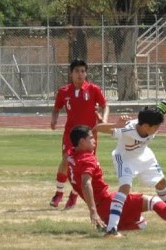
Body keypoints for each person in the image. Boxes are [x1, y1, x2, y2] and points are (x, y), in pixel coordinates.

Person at [95, 74, 166, 236]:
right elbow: (98, 128)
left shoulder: (155, 114)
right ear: (145, 126)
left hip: (144, 155)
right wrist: (115, 124)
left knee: (161, 182)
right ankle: (112, 228)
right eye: (156, 127)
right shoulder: (127, 129)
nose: (158, 129)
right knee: (125, 188)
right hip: (124, 158)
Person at [68, 125, 166, 237]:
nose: (94, 140)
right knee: (154, 201)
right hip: (106, 203)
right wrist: (93, 212)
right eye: (91, 138)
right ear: (81, 142)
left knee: (142, 223)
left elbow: (64, 168)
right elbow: (86, 183)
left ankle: (112, 225)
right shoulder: (88, 159)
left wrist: (61, 189)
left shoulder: (70, 156)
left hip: (102, 208)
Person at [50, 59, 109, 210]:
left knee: (84, 165)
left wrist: (104, 119)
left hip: (89, 135)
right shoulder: (64, 91)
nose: (80, 74)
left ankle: (74, 195)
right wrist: (54, 119)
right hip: (71, 134)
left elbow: (105, 105)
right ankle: (59, 192)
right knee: (66, 160)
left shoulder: (93, 89)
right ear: (71, 73)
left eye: (83, 71)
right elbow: (57, 108)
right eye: (77, 71)